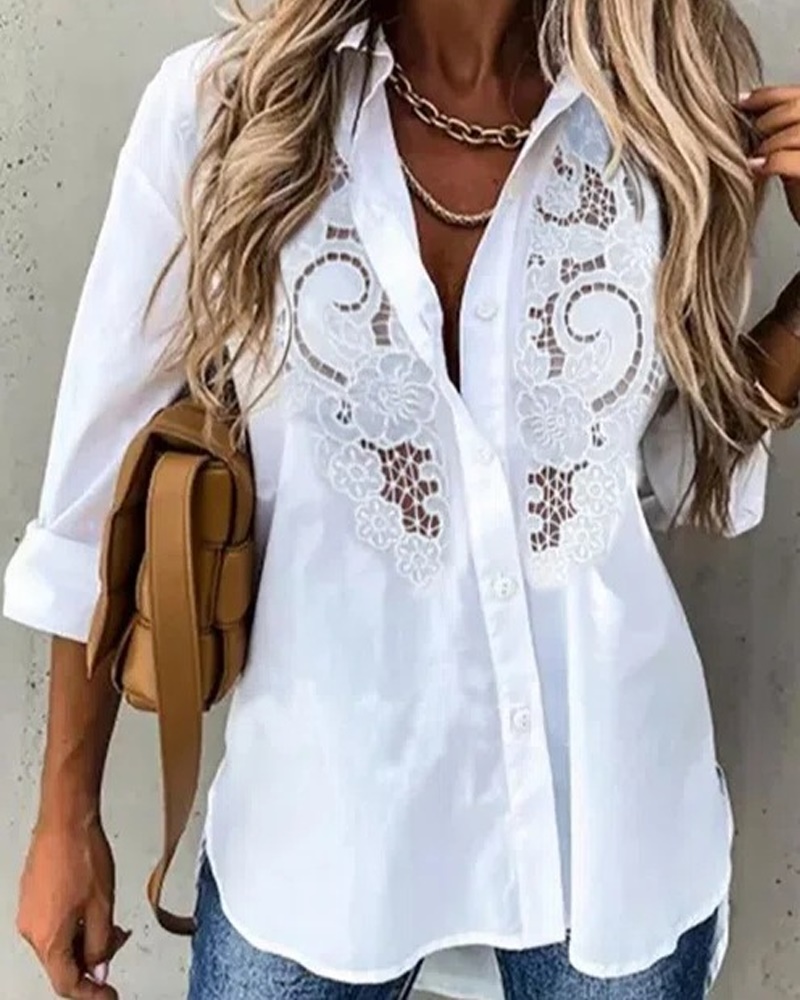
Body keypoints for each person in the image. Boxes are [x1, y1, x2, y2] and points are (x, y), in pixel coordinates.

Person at [5, 0, 800, 997]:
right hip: (321, 835)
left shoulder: (666, 115)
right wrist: (65, 815)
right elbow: (92, 505)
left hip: (614, 821)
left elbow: (669, 472)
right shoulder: (218, 112)